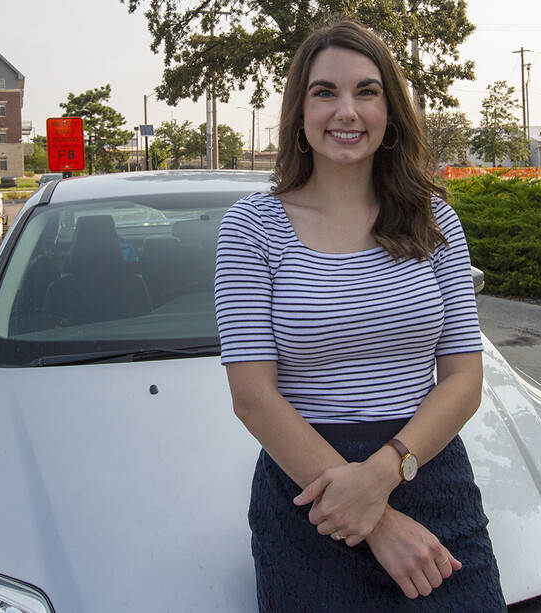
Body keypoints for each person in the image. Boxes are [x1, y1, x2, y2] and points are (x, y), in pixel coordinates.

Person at [213, 19, 507, 612]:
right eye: (325, 92)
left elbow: (463, 378)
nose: (346, 111)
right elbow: (253, 397)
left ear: (390, 111)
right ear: (300, 111)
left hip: (427, 469)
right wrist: (377, 522)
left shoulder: (435, 224)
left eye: (366, 91)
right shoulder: (251, 228)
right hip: (309, 490)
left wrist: (381, 476)